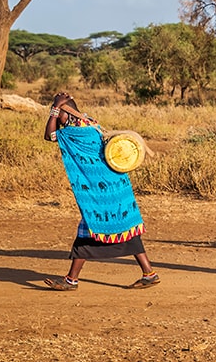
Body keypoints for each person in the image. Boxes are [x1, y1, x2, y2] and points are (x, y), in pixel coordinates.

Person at [41, 91, 159, 291]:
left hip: (100, 193)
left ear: (66, 113)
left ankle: (71, 280)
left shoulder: (74, 131)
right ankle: (149, 273)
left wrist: (54, 108)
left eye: (59, 114)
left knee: (90, 229)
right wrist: (57, 106)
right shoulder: (90, 122)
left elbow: (49, 135)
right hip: (116, 186)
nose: (57, 119)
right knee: (124, 227)